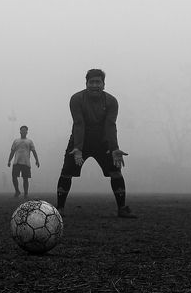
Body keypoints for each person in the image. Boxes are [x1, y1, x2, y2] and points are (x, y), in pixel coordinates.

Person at [55, 69, 135, 218]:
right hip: (80, 139)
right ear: (86, 84)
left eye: (98, 82)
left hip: (102, 141)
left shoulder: (111, 101)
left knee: (116, 171)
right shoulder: (76, 99)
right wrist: (77, 148)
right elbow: (79, 123)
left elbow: (110, 125)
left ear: (104, 85)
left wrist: (114, 148)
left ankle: (122, 208)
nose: (94, 85)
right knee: (66, 172)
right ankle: (59, 209)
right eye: (91, 82)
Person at [7, 125, 40, 197]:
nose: (23, 132)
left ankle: (26, 193)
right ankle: (17, 191)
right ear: (20, 131)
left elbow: (34, 151)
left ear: (27, 132)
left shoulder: (29, 141)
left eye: (25, 130)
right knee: (14, 177)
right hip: (17, 162)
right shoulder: (16, 141)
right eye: (22, 130)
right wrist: (9, 160)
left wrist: (37, 160)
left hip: (26, 162)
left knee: (25, 178)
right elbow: (12, 151)